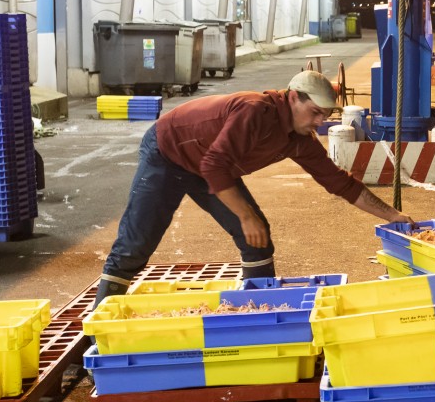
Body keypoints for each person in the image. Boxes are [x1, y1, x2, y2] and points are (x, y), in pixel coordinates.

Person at [96, 70, 412, 300]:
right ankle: (100, 325)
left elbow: (341, 184)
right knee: (135, 245)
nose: (319, 122)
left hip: (209, 164)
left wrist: (392, 215)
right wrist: (246, 216)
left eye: (325, 115)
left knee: (257, 239)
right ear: (292, 98)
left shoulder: (300, 139)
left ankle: (259, 313)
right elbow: (214, 166)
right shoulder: (254, 111)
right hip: (168, 151)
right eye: (315, 113)